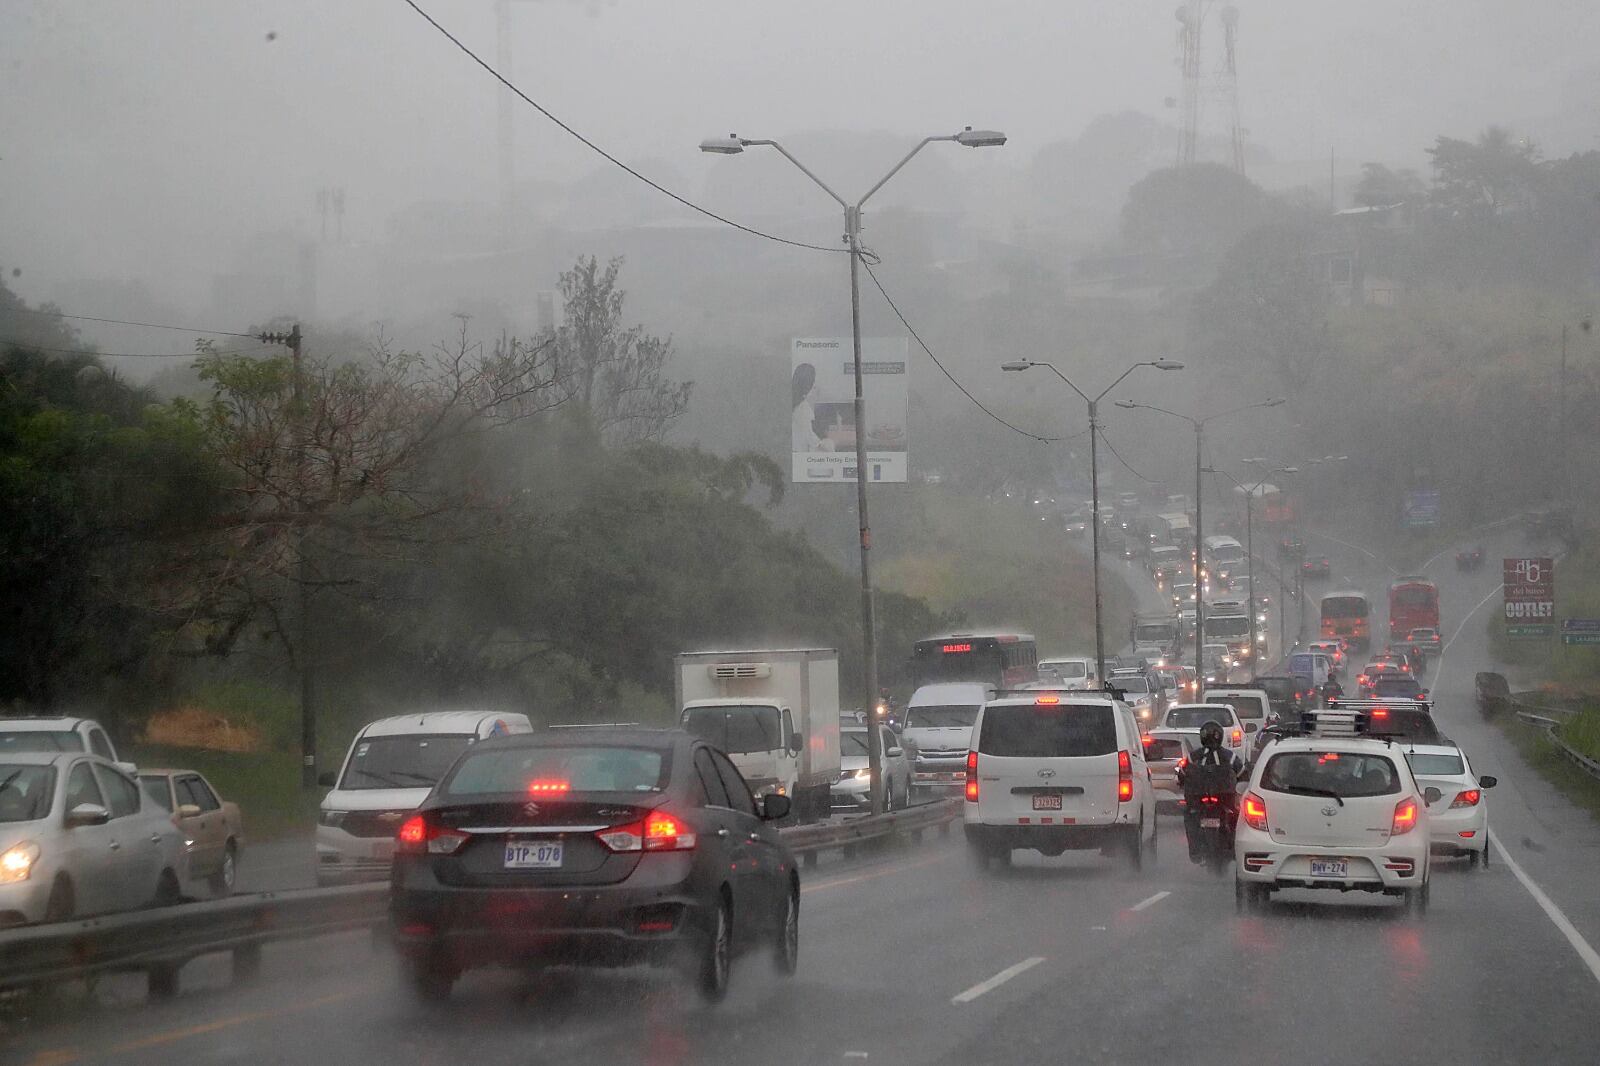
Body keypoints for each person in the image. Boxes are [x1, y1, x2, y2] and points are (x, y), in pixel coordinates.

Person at [1177, 721, 1245, 862]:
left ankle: (1199, 850)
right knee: (1236, 816)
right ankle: (1231, 847)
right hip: (1222, 798)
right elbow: (1242, 772)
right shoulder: (1229, 756)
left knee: (1191, 815)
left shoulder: (1193, 756)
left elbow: (1182, 774)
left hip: (1201, 798)